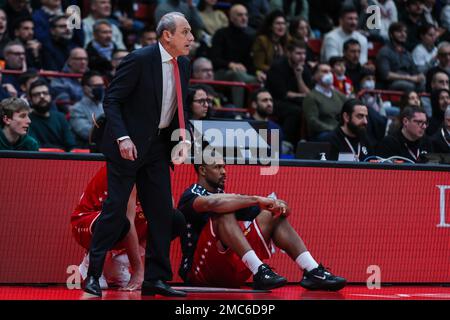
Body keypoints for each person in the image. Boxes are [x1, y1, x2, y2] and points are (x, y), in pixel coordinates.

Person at [82, 12, 193, 298]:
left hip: (157, 147)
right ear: (167, 35)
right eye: (185, 32)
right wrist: (122, 137)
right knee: (115, 209)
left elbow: (180, 106)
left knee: (161, 213)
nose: (191, 38)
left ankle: (155, 278)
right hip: (127, 146)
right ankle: (93, 275)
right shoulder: (140, 59)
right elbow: (112, 100)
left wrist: (184, 134)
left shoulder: (184, 64)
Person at [177, 154, 347, 291]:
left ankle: (312, 271)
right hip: (198, 273)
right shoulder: (190, 195)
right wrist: (257, 199)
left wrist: (279, 206)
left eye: (224, 166)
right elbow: (213, 203)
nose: (224, 171)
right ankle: (260, 270)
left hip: (230, 272)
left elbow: (267, 209)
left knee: (271, 214)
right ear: (202, 170)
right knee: (223, 211)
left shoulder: (225, 196)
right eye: (217, 167)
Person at [71, 165, 186, 291]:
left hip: (122, 222)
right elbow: (129, 222)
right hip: (87, 222)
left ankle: (120, 262)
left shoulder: (156, 165)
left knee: (173, 219)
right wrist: (138, 272)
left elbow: (166, 207)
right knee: (119, 219)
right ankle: (91, 264)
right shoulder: (130, 165)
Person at [27, 79, 76, 151]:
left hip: (64, 159)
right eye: (37, 94)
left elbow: (71, 144)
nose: (42, 96)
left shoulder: (61, 117)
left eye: (45, 93)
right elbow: (35, 147)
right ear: (30, 99)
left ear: (50, 96)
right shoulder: (27, 120)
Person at [303, 63, 347, 141]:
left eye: (330, 71)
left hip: (340, 131)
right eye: (325, 71)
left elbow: (351, 105)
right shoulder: (311, 97)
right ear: (315, 76)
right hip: (322, 134)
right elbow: (312, 121)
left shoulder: (337, 94)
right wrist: (333, 129)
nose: (329, 74)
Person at [376, 22, 425, 92]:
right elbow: (386, 75)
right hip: (391, 84)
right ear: (391, 35)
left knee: (423, 83)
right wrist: (408, 78)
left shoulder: (407, 53)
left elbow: (415, 72)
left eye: (405, 32)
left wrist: (420, 76)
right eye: (399, 31)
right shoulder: (384, 51)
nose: (403, 34)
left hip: (408, 80)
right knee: (408, 86)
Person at [69, 71, 105, 147]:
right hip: (88, 150)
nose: (101, 88)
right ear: (85, 88)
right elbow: (88, 133)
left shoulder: (104, 106)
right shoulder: (77, 109)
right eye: (97, 86)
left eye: (102, 85)